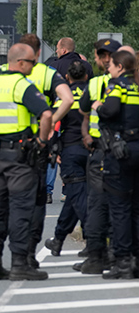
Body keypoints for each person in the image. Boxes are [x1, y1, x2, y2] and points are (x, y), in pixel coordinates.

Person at [0, 43, 53, 281]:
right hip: (19, 155)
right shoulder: (21, 85)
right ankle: (19, 263)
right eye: (31, 62)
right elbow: (46, 114)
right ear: (20, 63)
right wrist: (42, 141)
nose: (34, 66)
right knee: (21, 208)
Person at [16, 33, 73, 267]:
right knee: (37, 200)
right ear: (38, 53)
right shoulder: (47, 72)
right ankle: (28, 254)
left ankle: (3, 255)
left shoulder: (2, 72)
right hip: (37, 141)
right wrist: (49, 124)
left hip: (7, 145)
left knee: (11, 202)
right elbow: (66, 99)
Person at [74, 38, 121, 273]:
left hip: (112, 151)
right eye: (101, 55)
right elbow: (83, 115)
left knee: (109, 206)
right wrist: (85, 135)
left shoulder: (124, 84)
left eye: (107, 55)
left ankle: (107, 256)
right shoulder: (95, 84)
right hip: (99, 150)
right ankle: (99, 256)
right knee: (101, 206)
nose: (103, 59)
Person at [95, 50, 139, 278]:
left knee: (120, 208)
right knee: (136, 209)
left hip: (121, 152)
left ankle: (122, 261)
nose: (108, 68)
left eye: (111, 65)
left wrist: (98, 107)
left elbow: (110, 110)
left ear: (120, 67)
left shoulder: (118, 85)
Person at [44, 61, 89, 257]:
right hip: (92, 149)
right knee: (74, 196)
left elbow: (55, 123)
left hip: (71, 150)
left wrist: (52, 149)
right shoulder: (93, 93)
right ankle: (59, 238)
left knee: (77, 196)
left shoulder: (64, 96)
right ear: (86, 77)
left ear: (68, 78)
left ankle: (93, 239)